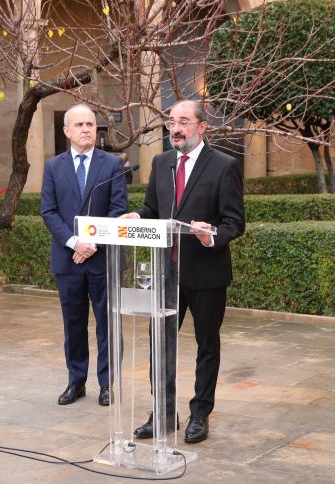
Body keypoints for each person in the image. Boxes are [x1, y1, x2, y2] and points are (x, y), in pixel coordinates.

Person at [121, 99, 245, 444]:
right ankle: (162, 412)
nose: (175, 128)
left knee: (207, 345)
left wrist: (211, 235)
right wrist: (136, 217)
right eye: (171, 122)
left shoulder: (224, 166)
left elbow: (235, 222)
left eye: (183, 122)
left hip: (207, 274)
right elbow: (151, 209)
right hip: (165, 274)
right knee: (158, 344)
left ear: (201, 127)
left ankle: (200, 414)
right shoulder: (160, 164)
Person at [41, 104, 128, 406]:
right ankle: (76, 382)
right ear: (67, 131)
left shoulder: (112, 165)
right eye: (79, 125)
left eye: (90, 124)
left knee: (107, 325)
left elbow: (118, 210)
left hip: (103, 259)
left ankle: (106, 385)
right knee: (73, 324)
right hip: (69, 261)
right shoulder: (53, 167)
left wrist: (92, 244)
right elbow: (49, 211)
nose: (86, 129)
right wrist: (75, 243)